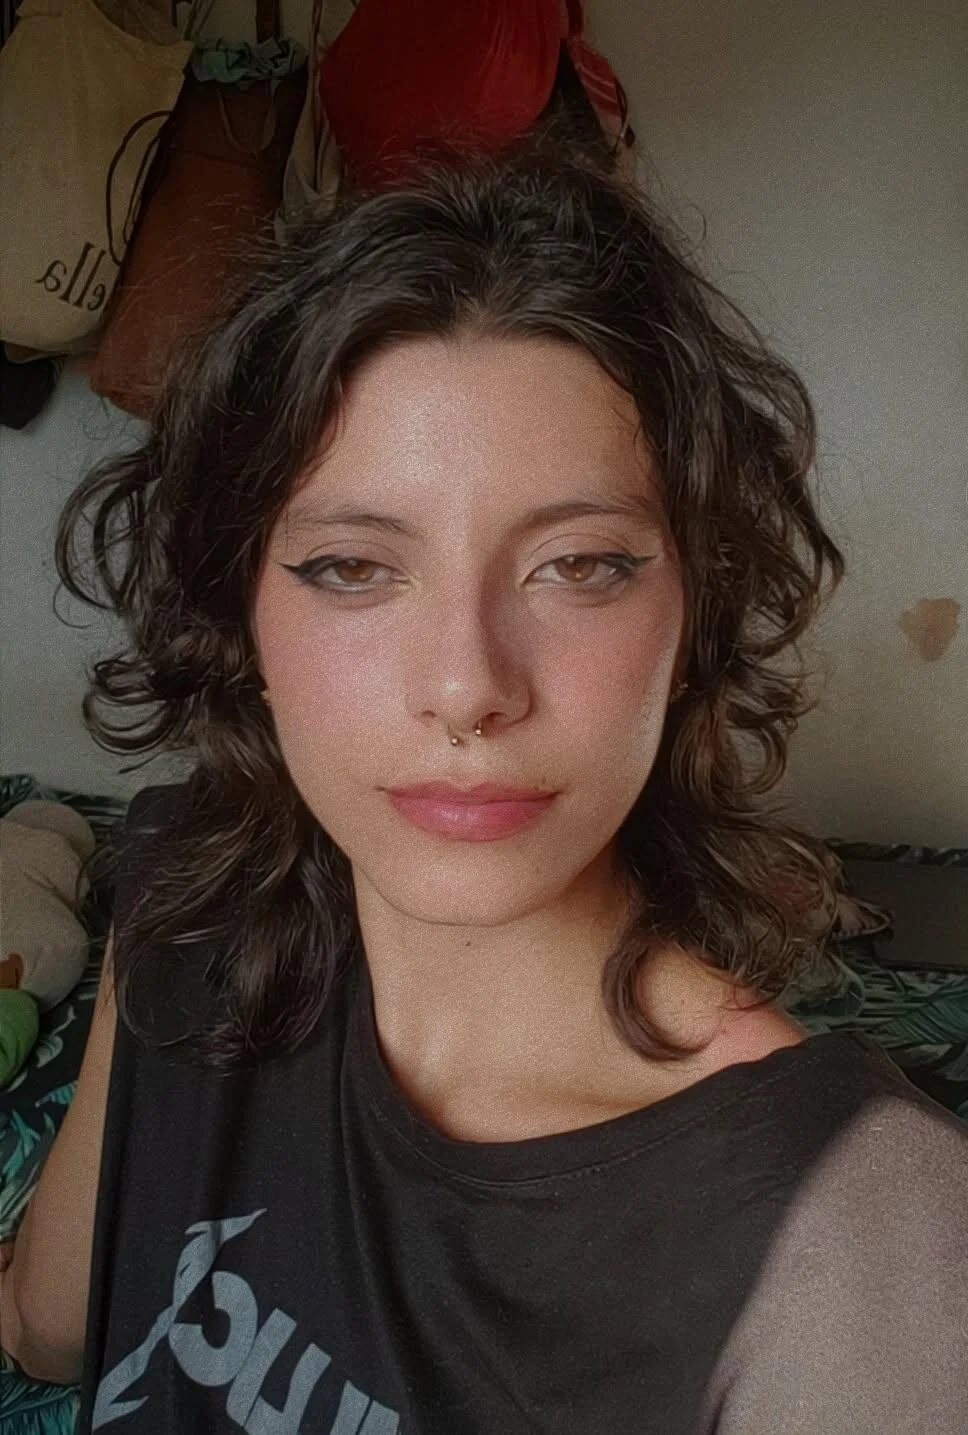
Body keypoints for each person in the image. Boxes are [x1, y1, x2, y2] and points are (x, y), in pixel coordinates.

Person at [2, 136, 966, 1435]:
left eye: (580, 565)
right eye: (353, 567)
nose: (467, 687)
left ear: (695, 614)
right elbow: (50, 1324)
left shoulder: (857, 1243)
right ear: (238, 613)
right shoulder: (178, 888)